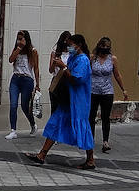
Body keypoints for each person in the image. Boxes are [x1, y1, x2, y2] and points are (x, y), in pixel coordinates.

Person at [27, 33, 96, 169]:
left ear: (79, 45)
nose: (68, 48)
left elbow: (76, 79)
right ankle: (42, 154)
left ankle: (90, 159)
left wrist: (63, 67)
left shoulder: (83, 60)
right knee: (56, 123)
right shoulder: (73, 57)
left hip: (78, 101)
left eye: (71, 45)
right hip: (67, 100)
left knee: (82, 127)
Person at [89, 37, 128, 153]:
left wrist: (123, 89)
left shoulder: (112, 59)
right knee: (91, 116)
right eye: (103, 46)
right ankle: (90, 139)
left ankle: (105, 141)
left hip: (107, 91)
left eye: (107, 47)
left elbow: (117, 75)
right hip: (93, 90)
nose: (105, 49)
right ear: (99, 46)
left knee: (106, 116)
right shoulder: (92, 58)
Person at [4, 30, 40, 140]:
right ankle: (13, 130)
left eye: (21, 39)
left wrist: (38, 84)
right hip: (15, 79)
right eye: (18, 38)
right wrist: (18, 48)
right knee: (13, 105)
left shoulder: (33, 51)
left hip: (27, 80)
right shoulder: (17, 49)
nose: (19, 41)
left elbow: (36, 68)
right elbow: (10, 60)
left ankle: (33, 124)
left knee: (25, 106)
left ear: (26, 40)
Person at [47, 30, 73, 113]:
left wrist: (63, 65)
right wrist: (55, 63)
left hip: (67, 80)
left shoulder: (72, 52)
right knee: (55, 108)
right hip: (57, 80)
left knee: (66, 108)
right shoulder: (55, 53)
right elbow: (51, 70)